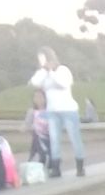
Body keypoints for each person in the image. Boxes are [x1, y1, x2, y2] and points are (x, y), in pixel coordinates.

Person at [29, 46, 86, 178]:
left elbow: (63, 84)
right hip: (52, 111)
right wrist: (44, 71)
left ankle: (80, 166)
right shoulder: (43, 73)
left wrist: (51, 72)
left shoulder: (63, 70)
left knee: (74, 138)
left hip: (68, 110)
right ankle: (56, 168)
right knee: (54, 140)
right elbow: (35, 82)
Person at [24, 89, 51, 165]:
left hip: (48, 137)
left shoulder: (49, 111)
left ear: (45, 99)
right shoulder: (32, 111)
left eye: (40, 97)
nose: (38, 99)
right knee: (38, 154)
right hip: (37, 138)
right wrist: (25, 128)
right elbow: (27, 124)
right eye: (36, 97)